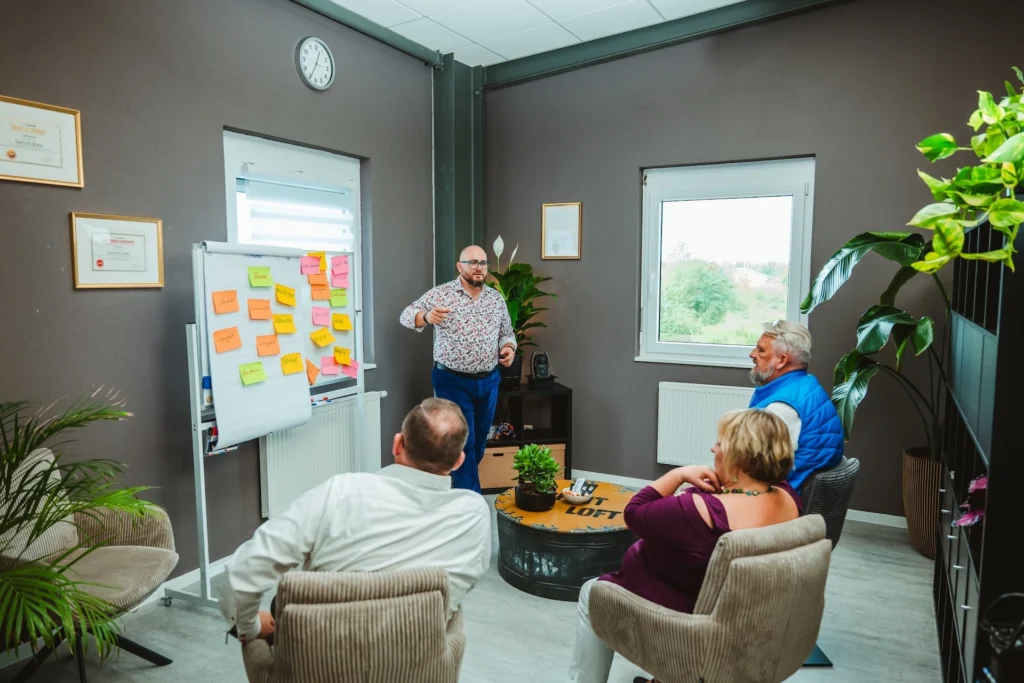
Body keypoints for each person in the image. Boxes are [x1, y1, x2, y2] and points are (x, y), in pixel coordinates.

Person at [218, 398, 491, 644]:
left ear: (397, 444)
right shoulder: (474, 516)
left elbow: (244, 571)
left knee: (281, 605)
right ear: (458, 461)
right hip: (414, 662)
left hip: (318, 660)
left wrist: (249, 628)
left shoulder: (341, 493)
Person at [569, 409, 801, 683]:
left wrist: (679, 474)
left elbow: (634, 511)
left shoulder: (700, 510)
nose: (713, 448)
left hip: (686, 626)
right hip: (744, 620)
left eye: (721, 443)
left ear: (740, 455)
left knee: (591, 592)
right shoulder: (788, 499)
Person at [400, 245, 516, 492]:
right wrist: (427, 316)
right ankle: (470, 503)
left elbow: (507, 333)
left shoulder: (495, 299)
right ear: (459, 266)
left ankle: (454, 488)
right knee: (465, 443)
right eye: (472, 262)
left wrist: (509, 348)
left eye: (483, 263)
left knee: (478, 445)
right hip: (452, 381)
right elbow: (406, 315)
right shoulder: (442, 294)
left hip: (489, 381)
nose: (479, 268)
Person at [748, 319, 844, 491]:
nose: (752, 354)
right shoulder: (807, 385)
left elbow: (759, 472)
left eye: (761, 350)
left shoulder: (782, 408)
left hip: (778, 501)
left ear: (782, 360)